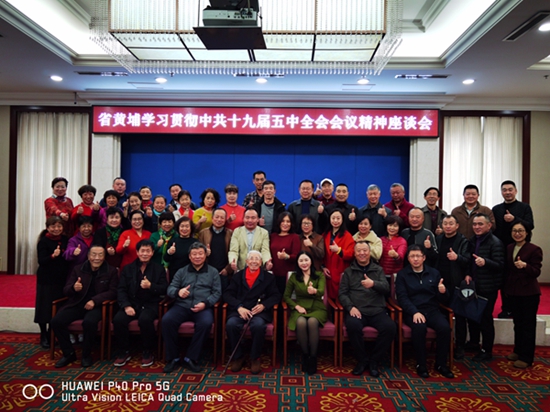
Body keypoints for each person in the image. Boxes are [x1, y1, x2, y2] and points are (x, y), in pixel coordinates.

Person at [51, 245, 118, 368]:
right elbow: (66, 290)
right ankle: (69, 353)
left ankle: (86, 355)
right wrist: (74, 288)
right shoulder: (78, 269)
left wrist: (95, 300)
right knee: (56, 321)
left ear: (104, 257)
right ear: (88, 256)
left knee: (89, 322)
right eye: (93, 254)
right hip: (78, 303)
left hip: (98, 306)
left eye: (100, 255)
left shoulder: (111, 271)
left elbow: (113, 292)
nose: (97, 258)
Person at [395, 244, 454, 379]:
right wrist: (414, 312)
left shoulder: (434, 273)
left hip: (432, 310)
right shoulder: (402, 275)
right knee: (419, 327)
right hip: (413, 311)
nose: (415, 259)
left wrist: (443, 292)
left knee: (445, 328)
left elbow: (443, 299)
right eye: (412, 256)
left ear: (424, 258)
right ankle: (421, 364)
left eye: (418, 256)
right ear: (408, 258)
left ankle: (441, 364)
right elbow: (402, 298)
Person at [162, 242, 222, 373]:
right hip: (182, 306)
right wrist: (178, 292)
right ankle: (173, 358)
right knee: (167, 320)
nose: (197, 257)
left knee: (205, 323)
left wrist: (205, 303)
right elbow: (170, 288)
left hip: (203, 307)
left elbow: (217, 293)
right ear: (189, 256)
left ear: (205, 255)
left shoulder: (213, 272)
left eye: (200, 253)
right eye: (194, 254)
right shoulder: (182, 271)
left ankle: (191, 358)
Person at [339, 242, 396, 377]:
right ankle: (362, 359)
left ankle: (374, 361)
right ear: (355, 254)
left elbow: (386, 289)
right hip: (357, 310)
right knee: (353, 326)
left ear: (369, 253)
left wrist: (373, 284)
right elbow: (342, 294)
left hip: (377, 310)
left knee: (390, 327)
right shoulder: (349, 271)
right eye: (359, 251)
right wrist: (350, 307)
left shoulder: (378, 270)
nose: (362, 253)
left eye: (365, 250)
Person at [224, 250, 281, 374]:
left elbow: (276, 296)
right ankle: (238, 357)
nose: (254, 261)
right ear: (246, 261)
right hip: (240, 310)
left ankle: (255, 358)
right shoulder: (237, 276)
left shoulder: (269, 277)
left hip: (258, 311)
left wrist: (264, 305)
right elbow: (228, 294)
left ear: (261, 262)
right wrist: (239, 307)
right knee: (231, 324)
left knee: (258, 326)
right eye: (251, 258)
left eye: (257, 259)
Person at [113, 239, 168, 367]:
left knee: (145, 319)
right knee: (118, 319)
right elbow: (121, 289)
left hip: (150, 304)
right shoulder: (128, 269)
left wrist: (151, 286)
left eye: (148, 251)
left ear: (152, 253)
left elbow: (165, 289)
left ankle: (147, 351)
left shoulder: (159, 269)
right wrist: (126, 306)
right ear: (137, 252)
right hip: (131, 303)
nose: (145, 254)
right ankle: (124, 351)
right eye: (142, 251)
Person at [492, 180, 535, 319]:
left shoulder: (524, 207)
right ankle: (506, 308)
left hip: (520, 248)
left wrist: (514, 219)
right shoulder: (496, 209)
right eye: (504, 190)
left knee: (519, 276)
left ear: (516, 191)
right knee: (504, 279)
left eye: (510, 189)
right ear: (501, 192)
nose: (507, 192)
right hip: (501, 249)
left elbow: (530, 225)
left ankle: (518, 307)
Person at [504, 222, 543, 369]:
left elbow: (536, 271)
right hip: (513, 291)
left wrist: (526, 266)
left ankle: (526, 357)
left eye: (521, 230)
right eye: (514, 230)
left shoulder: (534, 249)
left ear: (527, 233)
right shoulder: (509, 247)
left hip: (529, 292)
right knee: (517, 323)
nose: (517, 233)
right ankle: (518, 351)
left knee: (528, 325)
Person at [468, 213, 505, 362]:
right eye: (474, 224)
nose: (477, 227)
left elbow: (500, 265)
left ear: (489, 225)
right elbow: (469, 262)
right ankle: (474, 343)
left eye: (480, 224)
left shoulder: (495, 243)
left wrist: (486, 262)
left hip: (488, 287)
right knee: (473, 316)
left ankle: (487, 350)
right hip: (474, 285)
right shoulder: (473, 240)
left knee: (485, 319)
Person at [283, 251, 327, 374]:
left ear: (311, 261)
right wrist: (296, 306)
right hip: (300, 307)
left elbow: (321, 291)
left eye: (306, 260)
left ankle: (313, 358)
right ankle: (305, 355)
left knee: (312, 322)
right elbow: (286, 296)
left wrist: (314, 291)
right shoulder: (294, 277)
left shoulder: (319, 275)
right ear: (297, 263)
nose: (304, 263)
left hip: (317, 307)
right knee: (301, 322)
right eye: (301, 261)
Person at [435, 214, 471, 360]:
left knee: (460, 317)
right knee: (441, 313)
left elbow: (468, 260)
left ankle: (459, 346)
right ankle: (443, 344)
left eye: (451, 223)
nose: (448, 226)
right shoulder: (438, 239)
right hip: (440, 282)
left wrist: (457, 258)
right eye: (445, 223)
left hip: (456, 283)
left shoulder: (463, 241)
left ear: (457, 226)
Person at [35, 216, 70, 349]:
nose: (56, 229)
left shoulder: (65, 239)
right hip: (46, 279)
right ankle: (43, 335)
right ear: (48, 228)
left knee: (57, 306)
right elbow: (41, 261)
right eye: (53, 226)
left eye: (59, 226)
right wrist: (52, 256)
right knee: (44, 307)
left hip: (61, 278)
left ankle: (51, 333)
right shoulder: (43, 241)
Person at [198, 208, 234, 291]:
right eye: (217, 217)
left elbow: (234, 252)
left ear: (225, 219)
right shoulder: (203, 233)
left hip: (224, 272)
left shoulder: (230, 233)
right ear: (212, 218)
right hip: (207, 271)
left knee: (224, 294)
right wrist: (204, 252)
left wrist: (227, 269)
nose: (219, 220)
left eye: (222, 218)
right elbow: (197, 252)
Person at [322, 209, 355, 300]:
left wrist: (339, 251)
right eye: (333, 218)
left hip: (340, 272)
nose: (335, 221)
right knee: (326, 299)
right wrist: (323, 267)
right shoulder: (325, 234)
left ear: (342, 220)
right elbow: (321, 254)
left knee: (340, 299)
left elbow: (351, 254)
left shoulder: (347, 236)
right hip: (327, 273)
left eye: (338, 218)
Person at [269, 212, 301, 296]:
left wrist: (287, 256)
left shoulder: (294, 237)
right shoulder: (273, 236)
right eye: (283, 221)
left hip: (287, 275)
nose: (285, 224)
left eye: (288, 221)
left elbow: (297, 256)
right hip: (272, 274)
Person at [164, 216, 197, 280]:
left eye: (187, 226)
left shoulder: (195, 242)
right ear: (178, 228)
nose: (184, 229)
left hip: (191, 274)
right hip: (175, 274)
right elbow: (166, 259)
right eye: (182, 226)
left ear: (191, 228)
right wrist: (169, 252)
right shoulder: (173, 241)